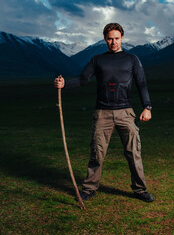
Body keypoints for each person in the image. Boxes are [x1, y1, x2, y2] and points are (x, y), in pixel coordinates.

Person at [54, 23, 154, 202]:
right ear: (105, 39)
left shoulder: (132, 59)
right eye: (110, 38)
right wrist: (65, 84)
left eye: (116, 38)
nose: (113, 42)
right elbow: (83, 80)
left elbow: (142, 84)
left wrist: (147, 107)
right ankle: (89, 188)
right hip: (103, 113)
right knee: (97, 153)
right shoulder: (97, 59)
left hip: (125, 112)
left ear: (122, 38)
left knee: (134, 152)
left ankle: (140, 190)